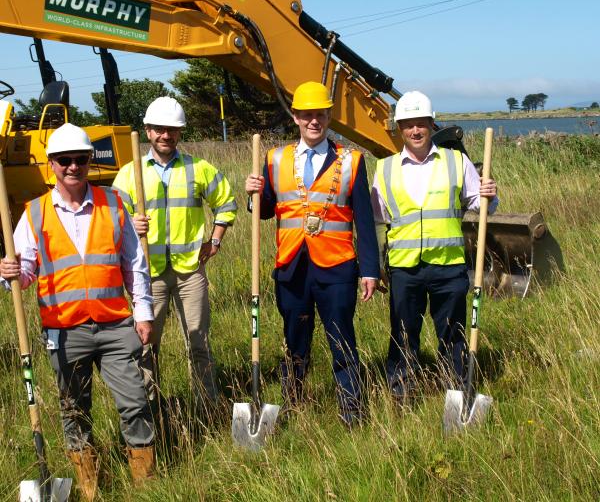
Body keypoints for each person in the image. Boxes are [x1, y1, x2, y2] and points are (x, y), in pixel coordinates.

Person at [0, 123, 155, 500]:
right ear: (52, 164)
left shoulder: (114, 202)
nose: (73, 167)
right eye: (65, 160)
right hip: (65, 331)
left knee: (135, 402)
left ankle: (148, 486)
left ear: (90, 160)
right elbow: (25, 273)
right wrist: (10, 273)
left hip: (116, 324)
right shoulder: (33, 214)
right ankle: (89, 488)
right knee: (74, 411)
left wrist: (143, 311)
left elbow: (134, 262)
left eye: (81, 159)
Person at [245, 81, 379, 427]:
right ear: (296, 117)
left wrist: (370, 270)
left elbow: (363, 219)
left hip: (337, 268)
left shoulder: (352, 161)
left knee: (342, 339)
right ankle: (294, 402)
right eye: (306, 115)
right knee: (294, 341)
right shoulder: (275, 159)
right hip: (291, 267)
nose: (313, 121)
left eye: (319, 115)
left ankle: (352, 410)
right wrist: (252, 195)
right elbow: (265, 210)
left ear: (327, 117)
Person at [113, 96, 237, 417]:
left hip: (190, 272)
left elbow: (226, 203)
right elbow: (112, 223)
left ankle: (206, 408)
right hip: (147, 275)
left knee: (199, 343)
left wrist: (215, 241)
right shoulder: (130, 174)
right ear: (148, 131)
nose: (166, 135)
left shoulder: (199, 168)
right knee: (146, 348)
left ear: (179, 132)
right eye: (159, 129)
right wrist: (130, 223)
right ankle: (149, 412)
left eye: (172, 129)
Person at [370, 91, 498, 401]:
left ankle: (456, 392)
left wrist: (489, 194)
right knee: (402, 335)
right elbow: (373, 218)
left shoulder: (456, 161)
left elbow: (482, 206)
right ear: (399, 129)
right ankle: (401, 395)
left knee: (452, 334)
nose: (415, 131)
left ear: (431, 124)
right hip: (404, 269)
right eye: (408, 125)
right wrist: (372, 267)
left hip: (448, 266)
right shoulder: (385, 169)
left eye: (421, 124)